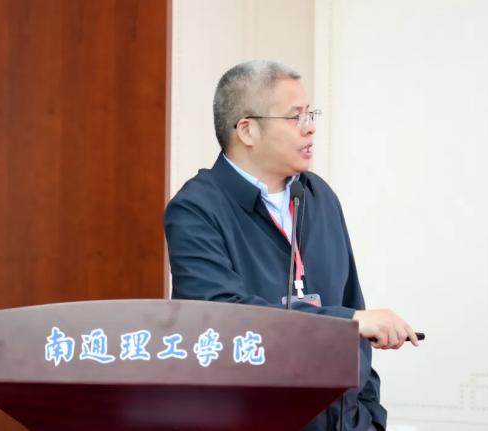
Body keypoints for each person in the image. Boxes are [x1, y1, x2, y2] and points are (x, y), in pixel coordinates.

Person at [164, 60, 419, 431]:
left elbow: (353, 307)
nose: (310, 127)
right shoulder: (196, 209)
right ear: (248, 130)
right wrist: (346, 322)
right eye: (295, 116)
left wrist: (368, 417)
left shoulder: (318, 196)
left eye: (310, 114)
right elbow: (221, 319)